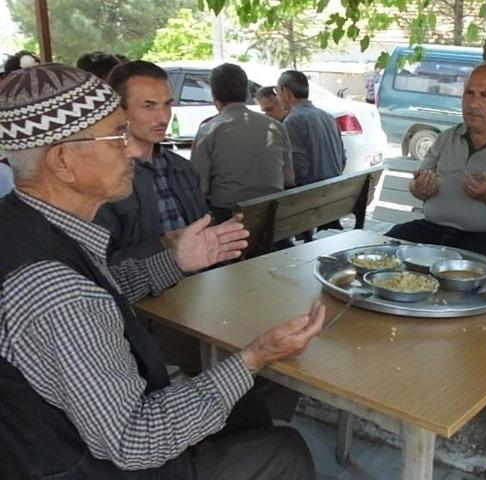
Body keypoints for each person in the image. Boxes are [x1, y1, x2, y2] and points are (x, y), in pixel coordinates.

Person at [0, 63, 324, 479]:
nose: (133, 150)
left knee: (244, 408)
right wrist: (254, 356)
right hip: (90, 463)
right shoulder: (58, 293)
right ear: (63, 161)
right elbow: (135, 441)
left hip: (47, 442)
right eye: (117, 136)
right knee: (285, 449)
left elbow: (100, 290)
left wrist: (174, 261)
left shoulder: (21, 224)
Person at [384, 62, 486, 258]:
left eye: (485, 95)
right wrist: (419, 188)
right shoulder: (447, 138)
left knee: (460, 272)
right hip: (431, 230)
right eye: (469, 93)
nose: (473, 103)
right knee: (383, 252)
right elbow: (416, 183)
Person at [95, 61, 207, 264]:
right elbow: (99, 265)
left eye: (167, 104)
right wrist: (163, 247)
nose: (163, 117)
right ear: (119, 111)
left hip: (195, 284)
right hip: (139, 293)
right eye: (149, 106)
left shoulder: (183, 169)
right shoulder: (102, 179)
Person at [191, 63, 294, 223]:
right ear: (246, 90)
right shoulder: (275, 126)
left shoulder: (209, 130)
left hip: (229, 219)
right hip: (273, 218)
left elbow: (200, 189)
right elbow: (289, 179)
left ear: (214, 94)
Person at [277, 70, 346, 186]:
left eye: (277, 90)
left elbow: (299, 168)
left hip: (310, 195)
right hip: (334, 190)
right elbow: (342, 161)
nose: (277, 96)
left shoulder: (293, 121)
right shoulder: (327, 117)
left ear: (285, 91)